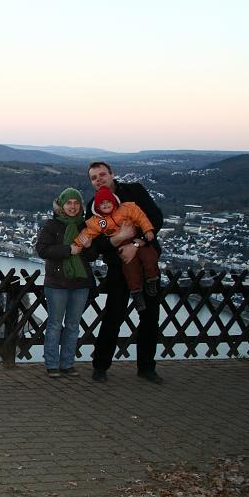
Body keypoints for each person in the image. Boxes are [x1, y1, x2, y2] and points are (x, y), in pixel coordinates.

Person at [85, 162, 164, 384]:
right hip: (118, 266)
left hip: (146, 264)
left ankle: (147, 368)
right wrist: (118, 240)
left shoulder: (134, 192)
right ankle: (100, 366)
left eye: (102, 174)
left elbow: (156, 220)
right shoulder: (94, 207)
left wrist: (135, 243)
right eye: (94, 177)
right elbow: (95, 244)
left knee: (150, 317)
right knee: (113, 317)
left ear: (112, 175)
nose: (99, 179)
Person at [35, 187, 97, 378]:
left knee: (73, 324)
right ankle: (52, 364)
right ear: (61, 205)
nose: (72, 206)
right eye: (69, 203)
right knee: (54, 324)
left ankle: (67, 363)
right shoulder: (52, 225)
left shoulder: (87, 226)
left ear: (80, 206)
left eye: (76, 203)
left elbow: (94, 256)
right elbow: (42, 250)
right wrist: (68, 250)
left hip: (80, 283)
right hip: (56, 282)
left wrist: (88, 247)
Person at [76, 185, 160, 312]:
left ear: (114, 201)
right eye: (101, 204)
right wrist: (78, 243)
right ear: (97, 207)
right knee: (130, 268)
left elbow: (141, 217)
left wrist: (147, 230)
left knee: (149, 257)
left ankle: (152, 280)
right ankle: (136, 293)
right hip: (122, 246)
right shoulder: (97, 221)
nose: (105, 205)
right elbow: (88, 233)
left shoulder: (127, 208)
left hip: (138, 238)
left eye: (108, 202)